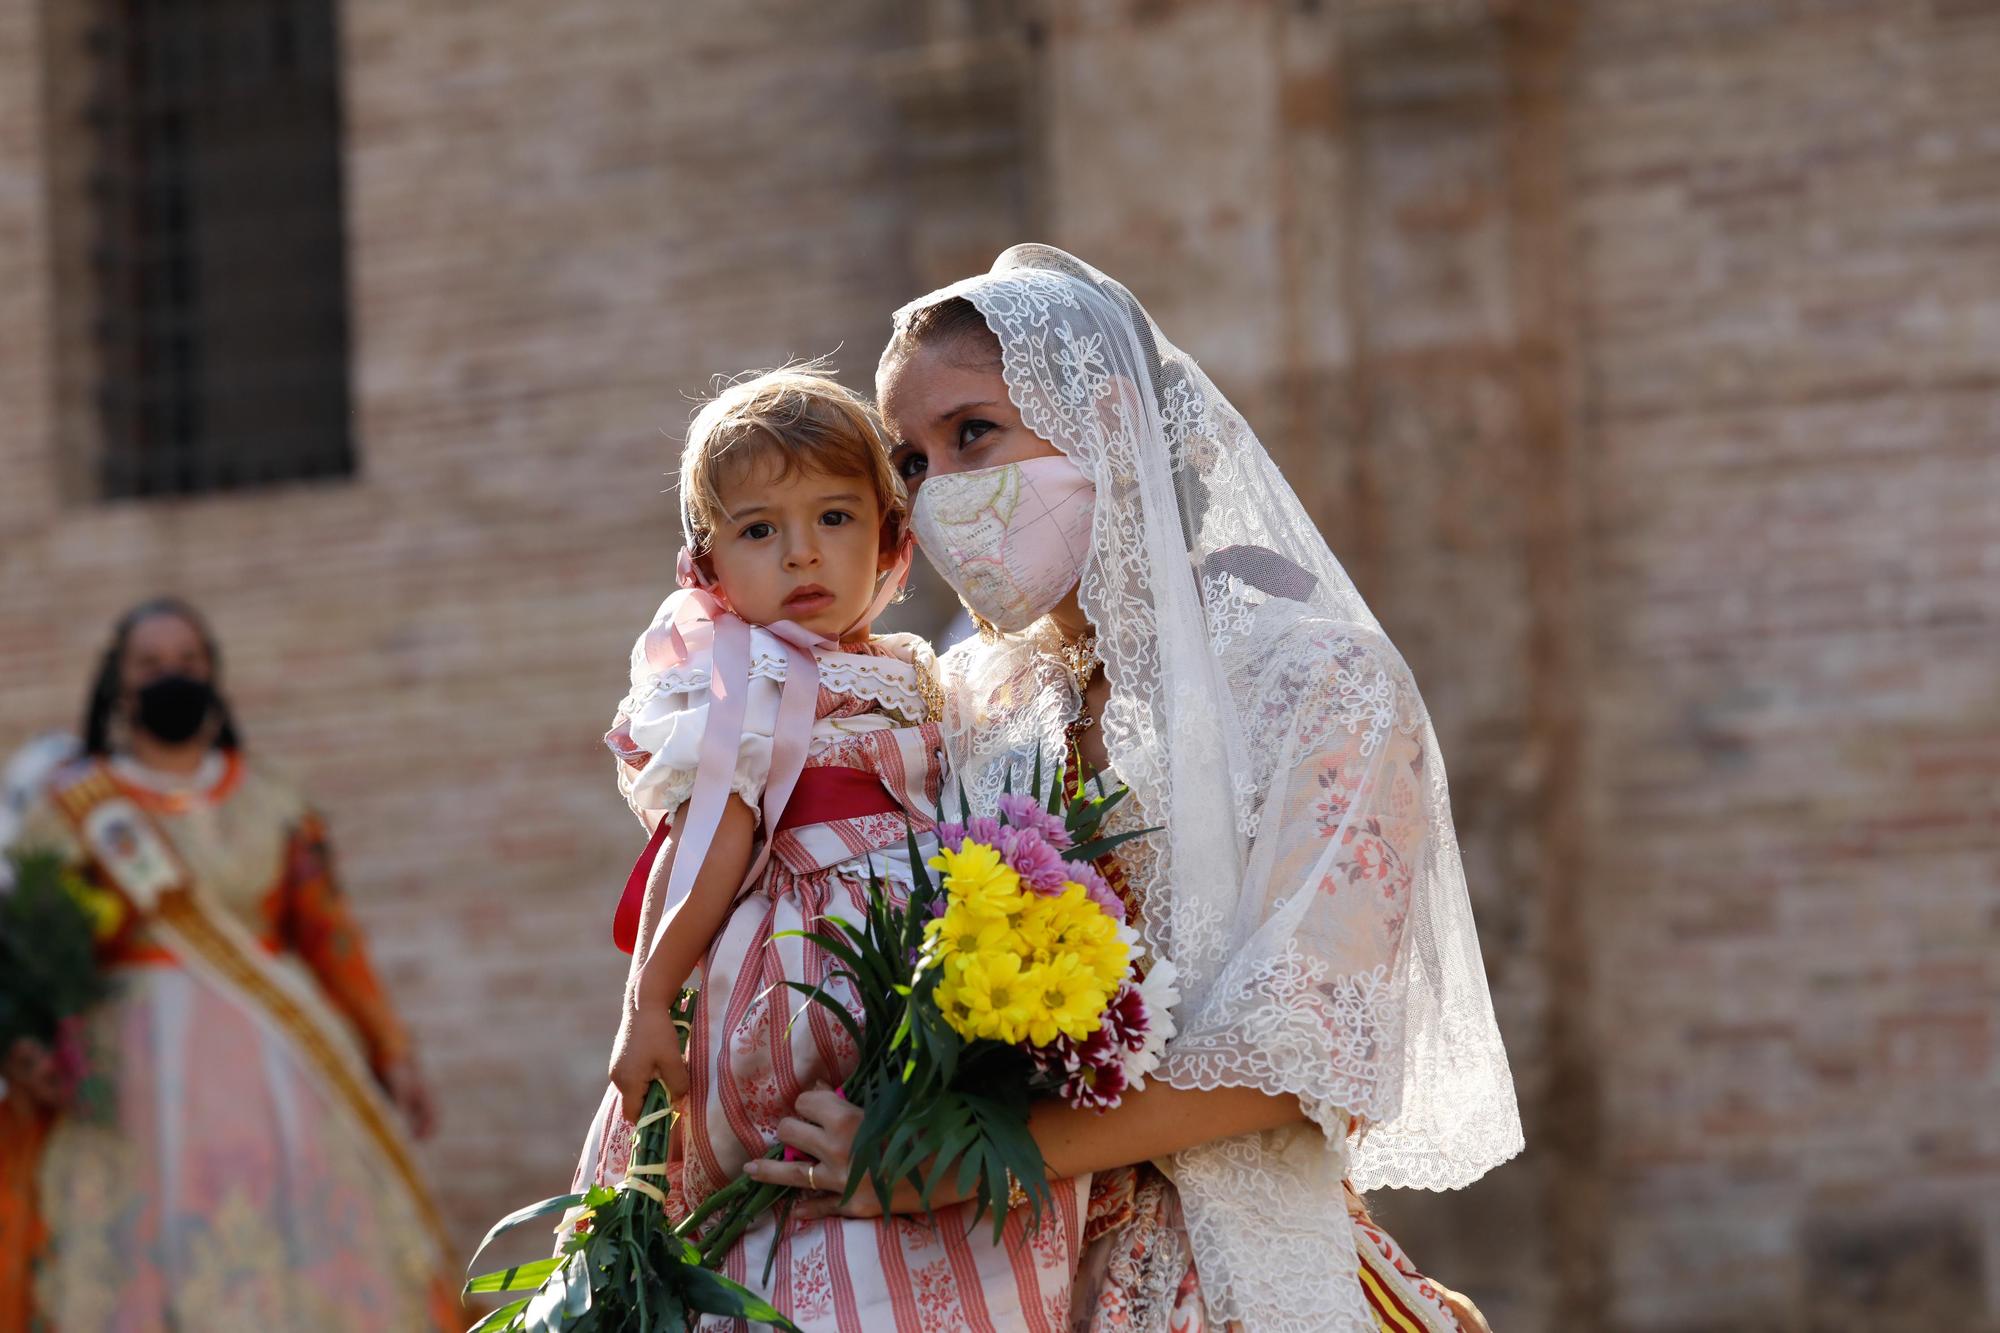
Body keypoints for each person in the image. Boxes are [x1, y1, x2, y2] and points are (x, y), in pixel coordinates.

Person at [742, 247, 1524, 1332]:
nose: (940, 492)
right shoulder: (959, 703)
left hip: (1237, 1276)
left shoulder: (1316, 684)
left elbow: (1298, 1053)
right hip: (974, 1283)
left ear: (1104, 419)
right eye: (910, 463)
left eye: (973, 433)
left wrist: (947, 1163)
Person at [579, 368, 1083, 1328]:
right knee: (788, 1181)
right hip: (803, 962)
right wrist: (649, 997)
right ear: (710, 568)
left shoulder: (920, 674)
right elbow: (707, 846)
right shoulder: (747, 683)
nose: (802, 553)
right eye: (760, 530)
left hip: (917, 960)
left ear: (893, 539)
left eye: (836, 518)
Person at [6, 597, 456, 1331]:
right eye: (150, 663)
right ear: (118, 684)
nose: (170, 674)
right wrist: (26, 1041)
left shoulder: (273, 800)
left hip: (286, 1067)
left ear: (214, 675)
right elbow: (28, 953)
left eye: (188, 660)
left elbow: (331, 937)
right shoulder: (73, 807)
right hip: (129, 1077)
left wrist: (393, 1048)